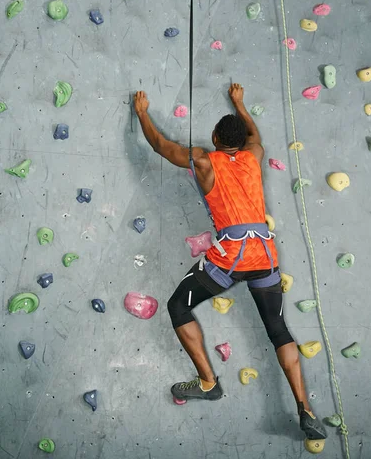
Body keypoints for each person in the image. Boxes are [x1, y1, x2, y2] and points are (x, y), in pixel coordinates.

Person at [134, 84, 327, 441]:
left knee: (177, 305)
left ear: (214, 137)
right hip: (265, 256)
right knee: (278, 328)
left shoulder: (204, 160)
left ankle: (209, 383)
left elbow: (161, 146)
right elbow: (254, 134)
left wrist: (142, 113)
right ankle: (306, 408)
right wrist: (240, 103)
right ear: (239, 141)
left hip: (229, 260)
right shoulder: (253, 154)